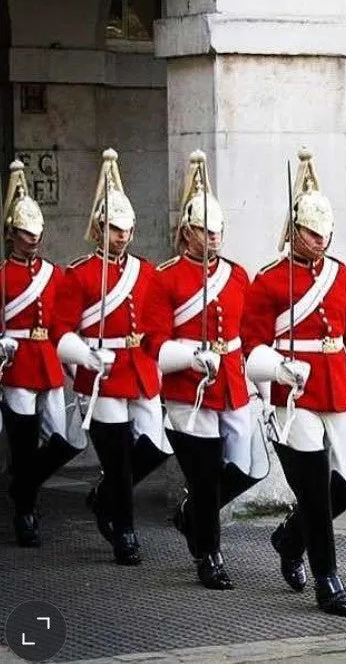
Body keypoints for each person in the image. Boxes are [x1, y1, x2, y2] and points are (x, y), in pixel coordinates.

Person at [242, 146, 346, 617]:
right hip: (294, 396)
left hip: (337, 386)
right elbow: (250, 346)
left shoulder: (339, 277)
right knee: (316, 491)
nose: (317, 242)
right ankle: (328, 579)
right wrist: (278, 368)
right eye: (309, 233)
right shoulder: (269, 281)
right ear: (294, 230)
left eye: (323, 234)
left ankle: (290, 536)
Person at [142, 150, 268, 590]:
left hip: (231, 378)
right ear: (187, 232)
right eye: (204, 231)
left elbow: (249, 334)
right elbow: (153, 343)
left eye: (218, 232)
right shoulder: (165, 278)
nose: (213, 239)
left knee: (251, 465)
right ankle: (209, 555)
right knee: (204, 471)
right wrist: (189, 356)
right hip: (188, 389)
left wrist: (262, 378)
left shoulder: (237, 276)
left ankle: (192, 513)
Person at [51, 149, 171, 566]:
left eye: (127, 230)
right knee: (118, 457)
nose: (122, 237)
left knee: (158, 445)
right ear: (100, 228)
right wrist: (85, 354)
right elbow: (60, 330)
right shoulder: (80, 273)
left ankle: (103, 496)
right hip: (104, 372)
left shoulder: (147, 272)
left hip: (139, 368)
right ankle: (124, 530)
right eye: (115, 230)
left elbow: (158, 326)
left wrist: (161, 355)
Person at [0, 160, 86, 547]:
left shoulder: (55, 274)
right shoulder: (3, 273)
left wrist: (72, 359)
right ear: (11, 234)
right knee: (22, 441)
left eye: (35, 233)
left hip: (48, 358)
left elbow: (64, 323)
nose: (31, 239)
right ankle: (25, 512)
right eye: (24, 233)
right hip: (16, 361)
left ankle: (21, 488)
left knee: (63, 439)